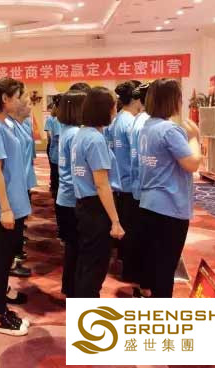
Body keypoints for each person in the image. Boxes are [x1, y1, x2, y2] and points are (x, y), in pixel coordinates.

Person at [139, 79, 201, 298]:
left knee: (154, 262)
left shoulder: (148, 126)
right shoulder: (170, 130)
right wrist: (194, 138)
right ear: (173, 100)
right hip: (169, 206)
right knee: (166, 266)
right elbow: (192, 163)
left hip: (149, 203)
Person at [0, 77, 31, 336]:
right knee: (2, 262)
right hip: (7, 205)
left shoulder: (5, 124)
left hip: (14, 202)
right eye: (19, 96)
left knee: (7, 258)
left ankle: (3, 309)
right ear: (5, 99)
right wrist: (5, 209)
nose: (22, 101)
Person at [71, 87, 125, 298]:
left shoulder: (82, 134)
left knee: (87, 261)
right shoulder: (95, 139)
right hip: (96, 207)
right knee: (95, 265)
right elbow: (102, 184)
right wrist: (115, 221)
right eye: (114, 106)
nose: (115, 110)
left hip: (85, 205)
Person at [55, 90, 87, 297]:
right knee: (76, 248)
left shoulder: (67, 130)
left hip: (65, 196)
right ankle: (74, 290)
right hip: (72, 198)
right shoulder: (75, 133)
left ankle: (70, 288)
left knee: (72, 248)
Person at [112, 80, 142, 280]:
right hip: (130, 183)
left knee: (126, 226)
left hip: (120, 182)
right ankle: (131, 271)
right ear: (136, 99)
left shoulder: (118, 118)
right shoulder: (130, 122)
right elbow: (136, 156)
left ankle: (124, 260)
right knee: (132, 229)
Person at [4, 89, 34, 279]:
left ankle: (14, 256)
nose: (30, 106)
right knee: (11, 229)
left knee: (18, 226)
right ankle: (11, 261)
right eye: (27, 102)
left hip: (23, 180)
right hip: (15, 183)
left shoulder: (20, 124)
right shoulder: (9, 126)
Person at [127, 82, 151, 297]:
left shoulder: (139, 119)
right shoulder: (145, 122)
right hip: (144, 187)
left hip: (137, 184)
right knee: (145, 238)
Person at [45, 94, 62, 201]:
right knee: (55, 173)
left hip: (56, 150)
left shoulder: (58, 119)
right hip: (56, 150)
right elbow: (51, 135)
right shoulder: (55, 120)